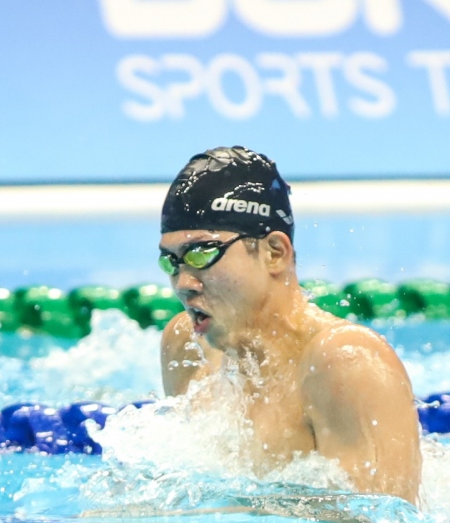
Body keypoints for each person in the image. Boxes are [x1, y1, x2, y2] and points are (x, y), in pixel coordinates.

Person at [157, 146, 423, 504]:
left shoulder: (346, 361)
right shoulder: (188, 346)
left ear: (274, 253)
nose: (183, 283)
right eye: (171, 261)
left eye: (202, 253)